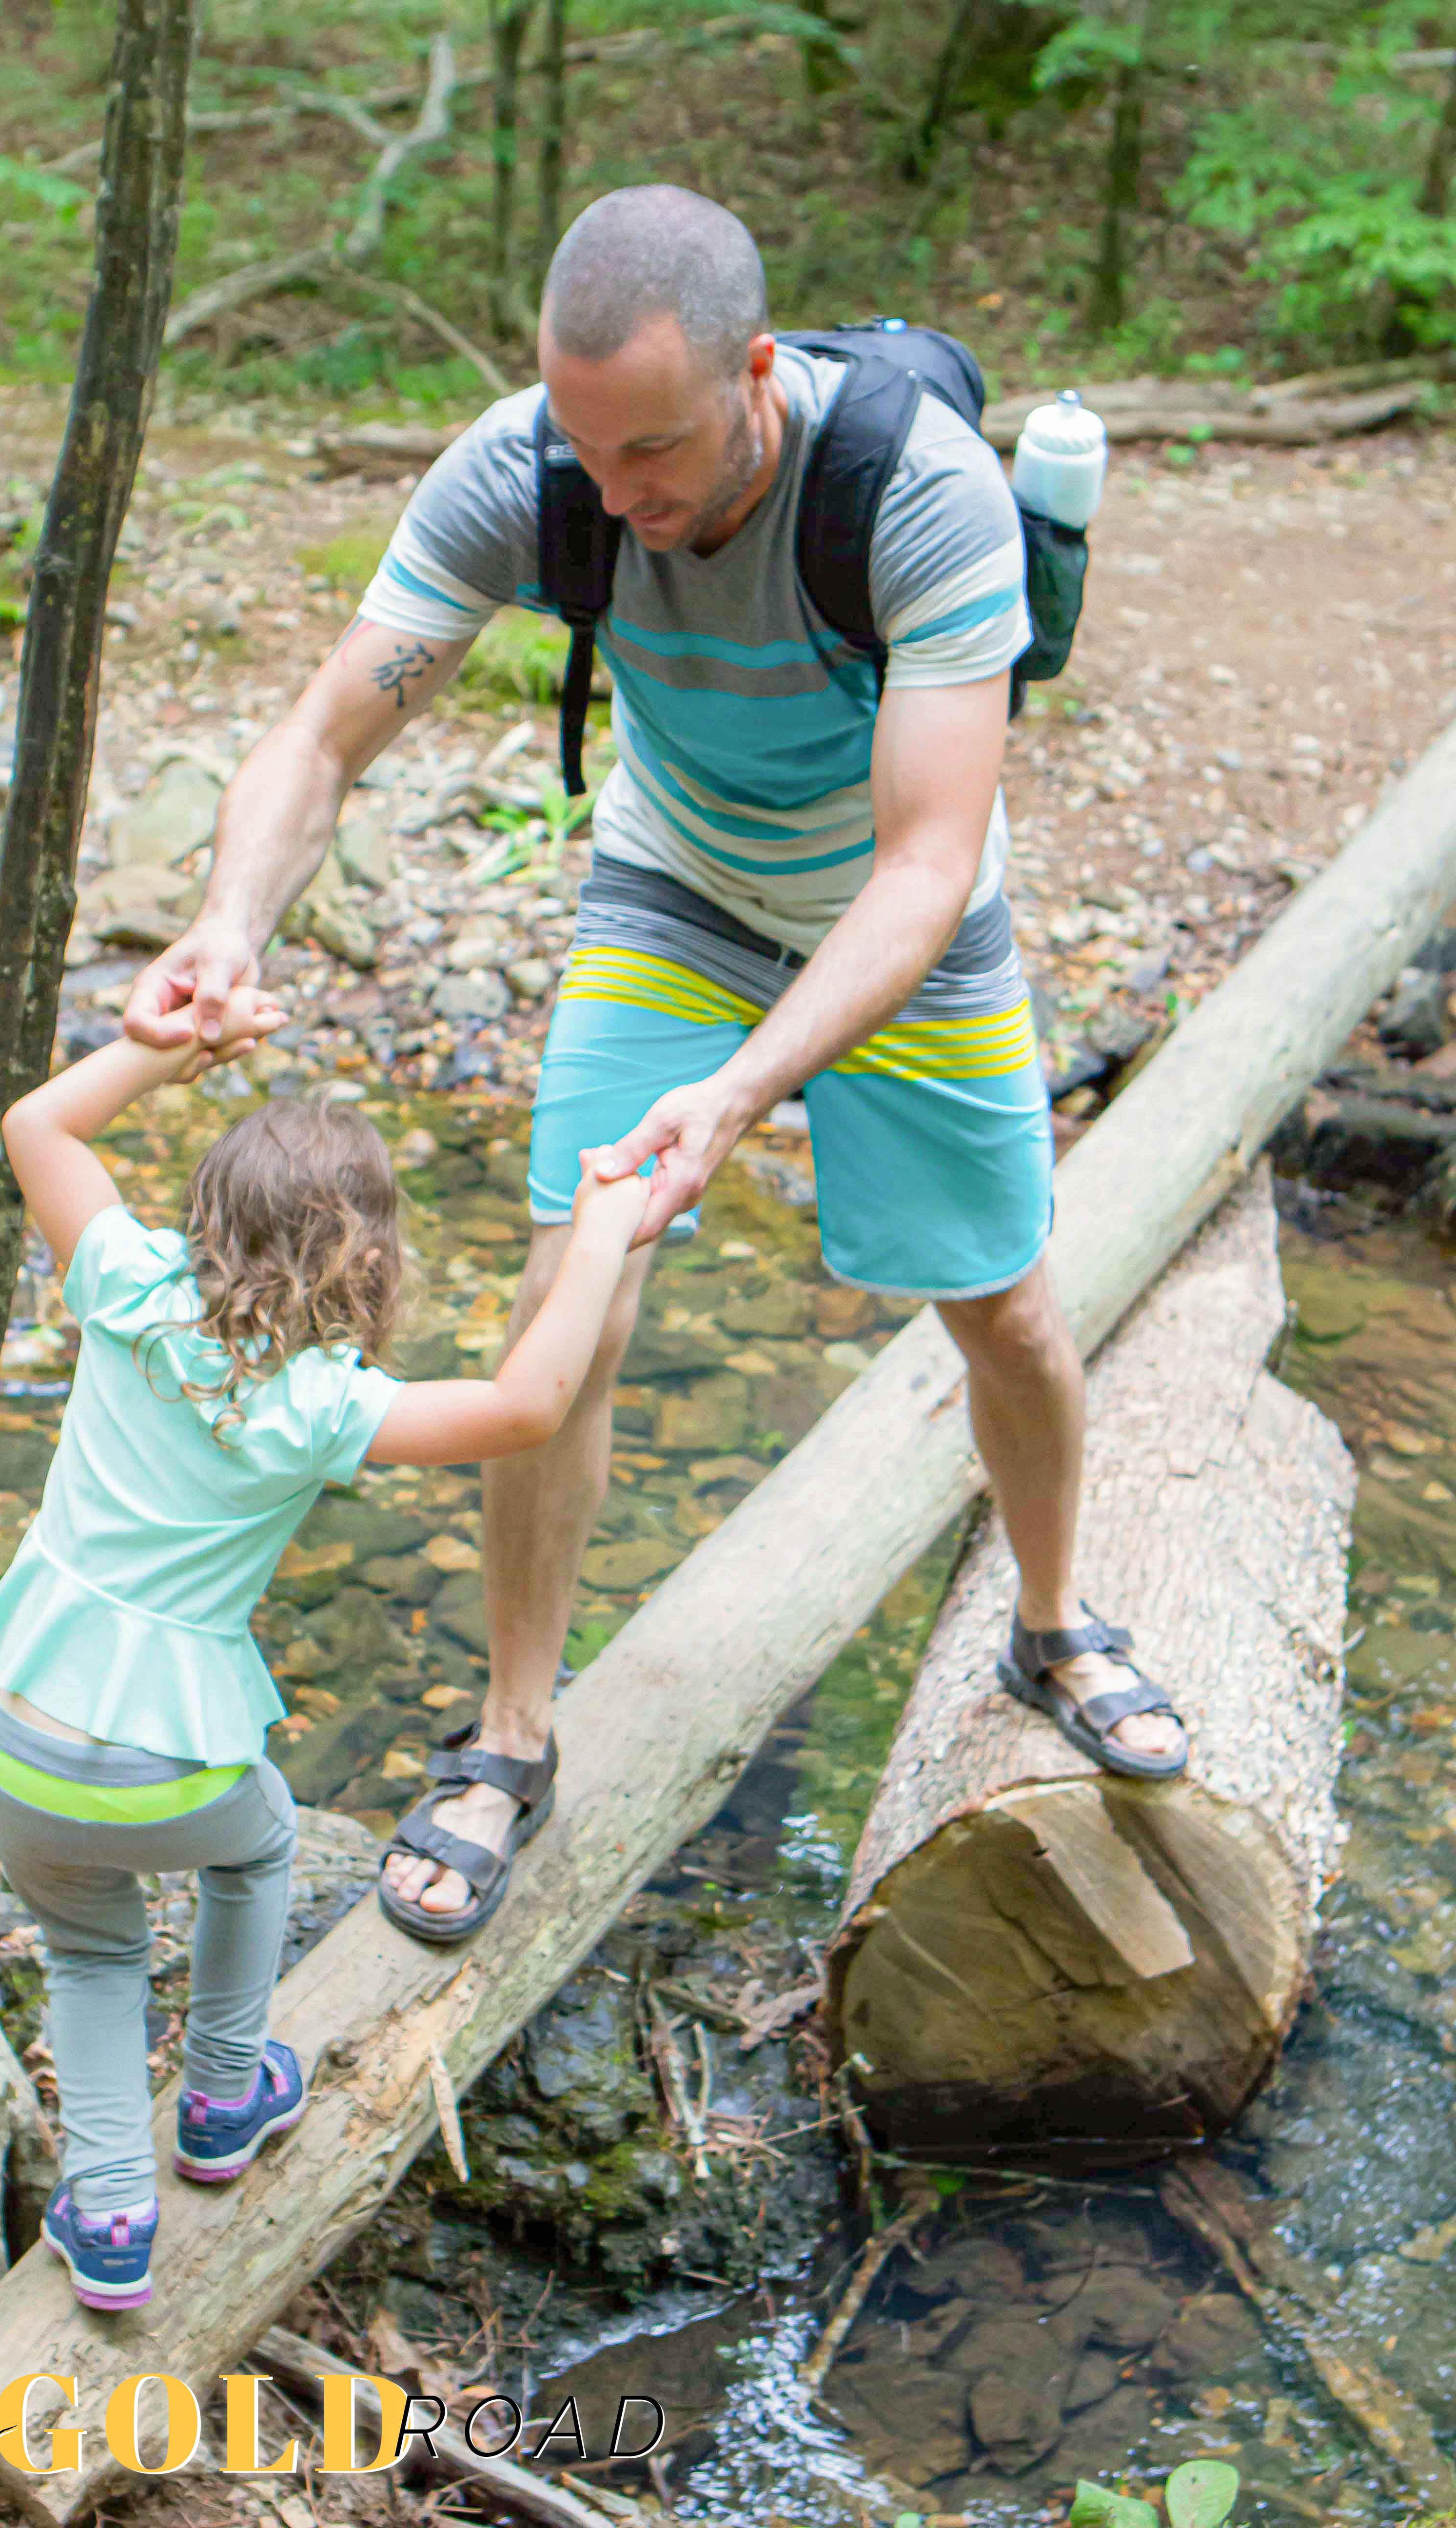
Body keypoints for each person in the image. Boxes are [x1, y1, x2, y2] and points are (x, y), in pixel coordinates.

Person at [124, 184, 1188, 1948]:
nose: (618, 502)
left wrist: (744, 1091)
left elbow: (927, 866)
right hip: (672, 892)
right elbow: (323, 734)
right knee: (569, 1298)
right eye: (588, 455)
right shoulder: (536, 467)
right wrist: (234, 920)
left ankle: (1054, 1622)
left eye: (658, 455)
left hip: (900, 923)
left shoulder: (919, 492)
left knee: (999, 1305)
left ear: (758, 372)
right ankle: (514, 1734)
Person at [0, 999, 648, 2309]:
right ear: (371, 1262)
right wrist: (603, 1231)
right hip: (171, 1769)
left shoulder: (127, 1288)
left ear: (205, 1213)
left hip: (17, 1748)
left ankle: (109, 2214)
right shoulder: (322, 1405)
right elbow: (530, 1407)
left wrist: (183, 1041)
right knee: (261, 1835)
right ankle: (226, 2093)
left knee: (91, 1955)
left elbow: (35, 1121)